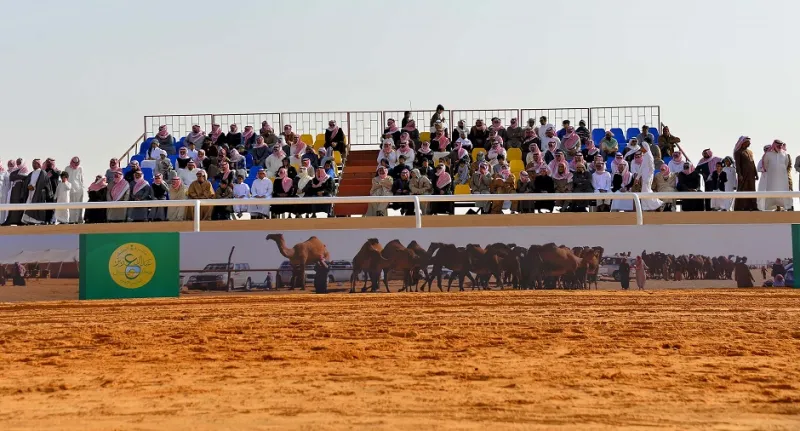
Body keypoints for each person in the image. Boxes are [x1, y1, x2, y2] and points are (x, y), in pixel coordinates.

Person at [760, 140, 792, 211]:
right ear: (774, 145)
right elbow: (765, 164)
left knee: (782, 191)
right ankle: (772, 208)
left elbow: (786, 164)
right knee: (772, 191)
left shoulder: (785, 154)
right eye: (778, 146)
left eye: (781, 146)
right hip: (772, 177)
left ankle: (783, 207)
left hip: (782, 177)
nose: (780, 147)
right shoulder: (768, 154)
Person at [20, 159, 53, 225]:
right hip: (31, 192)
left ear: (38, 164)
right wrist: (28, 186)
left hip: (39, 193)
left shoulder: (43, 172)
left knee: (38, 206)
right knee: (29, 205)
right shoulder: (31, 173)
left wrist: (35, 187)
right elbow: (27, 182)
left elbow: (44, 183)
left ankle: (37, 221)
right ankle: (29, 220)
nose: (33, 165)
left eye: (34, 163)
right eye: (32, 163)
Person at [630, 146, 662, 211]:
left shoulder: (649, 157)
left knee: (648, 192)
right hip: (642, 179)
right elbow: (640, 169)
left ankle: (657, 204)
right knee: (640, 193)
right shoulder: (643, 157)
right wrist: (638, 177)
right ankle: (642, 209)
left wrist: (648, 178)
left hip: (648, 178)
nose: (641, 149)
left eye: (643, 148)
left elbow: (652, 169)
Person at [62, 157, 84, 223]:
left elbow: (81, 179)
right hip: (70, 190)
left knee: (78, 206)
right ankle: (71, 220)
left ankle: (78, 220)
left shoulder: (80, 168)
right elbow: (65, 180)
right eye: (74, 162)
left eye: (77, 163)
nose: (76, 164)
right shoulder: (67, 168)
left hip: (79, 190)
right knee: (70, 205)